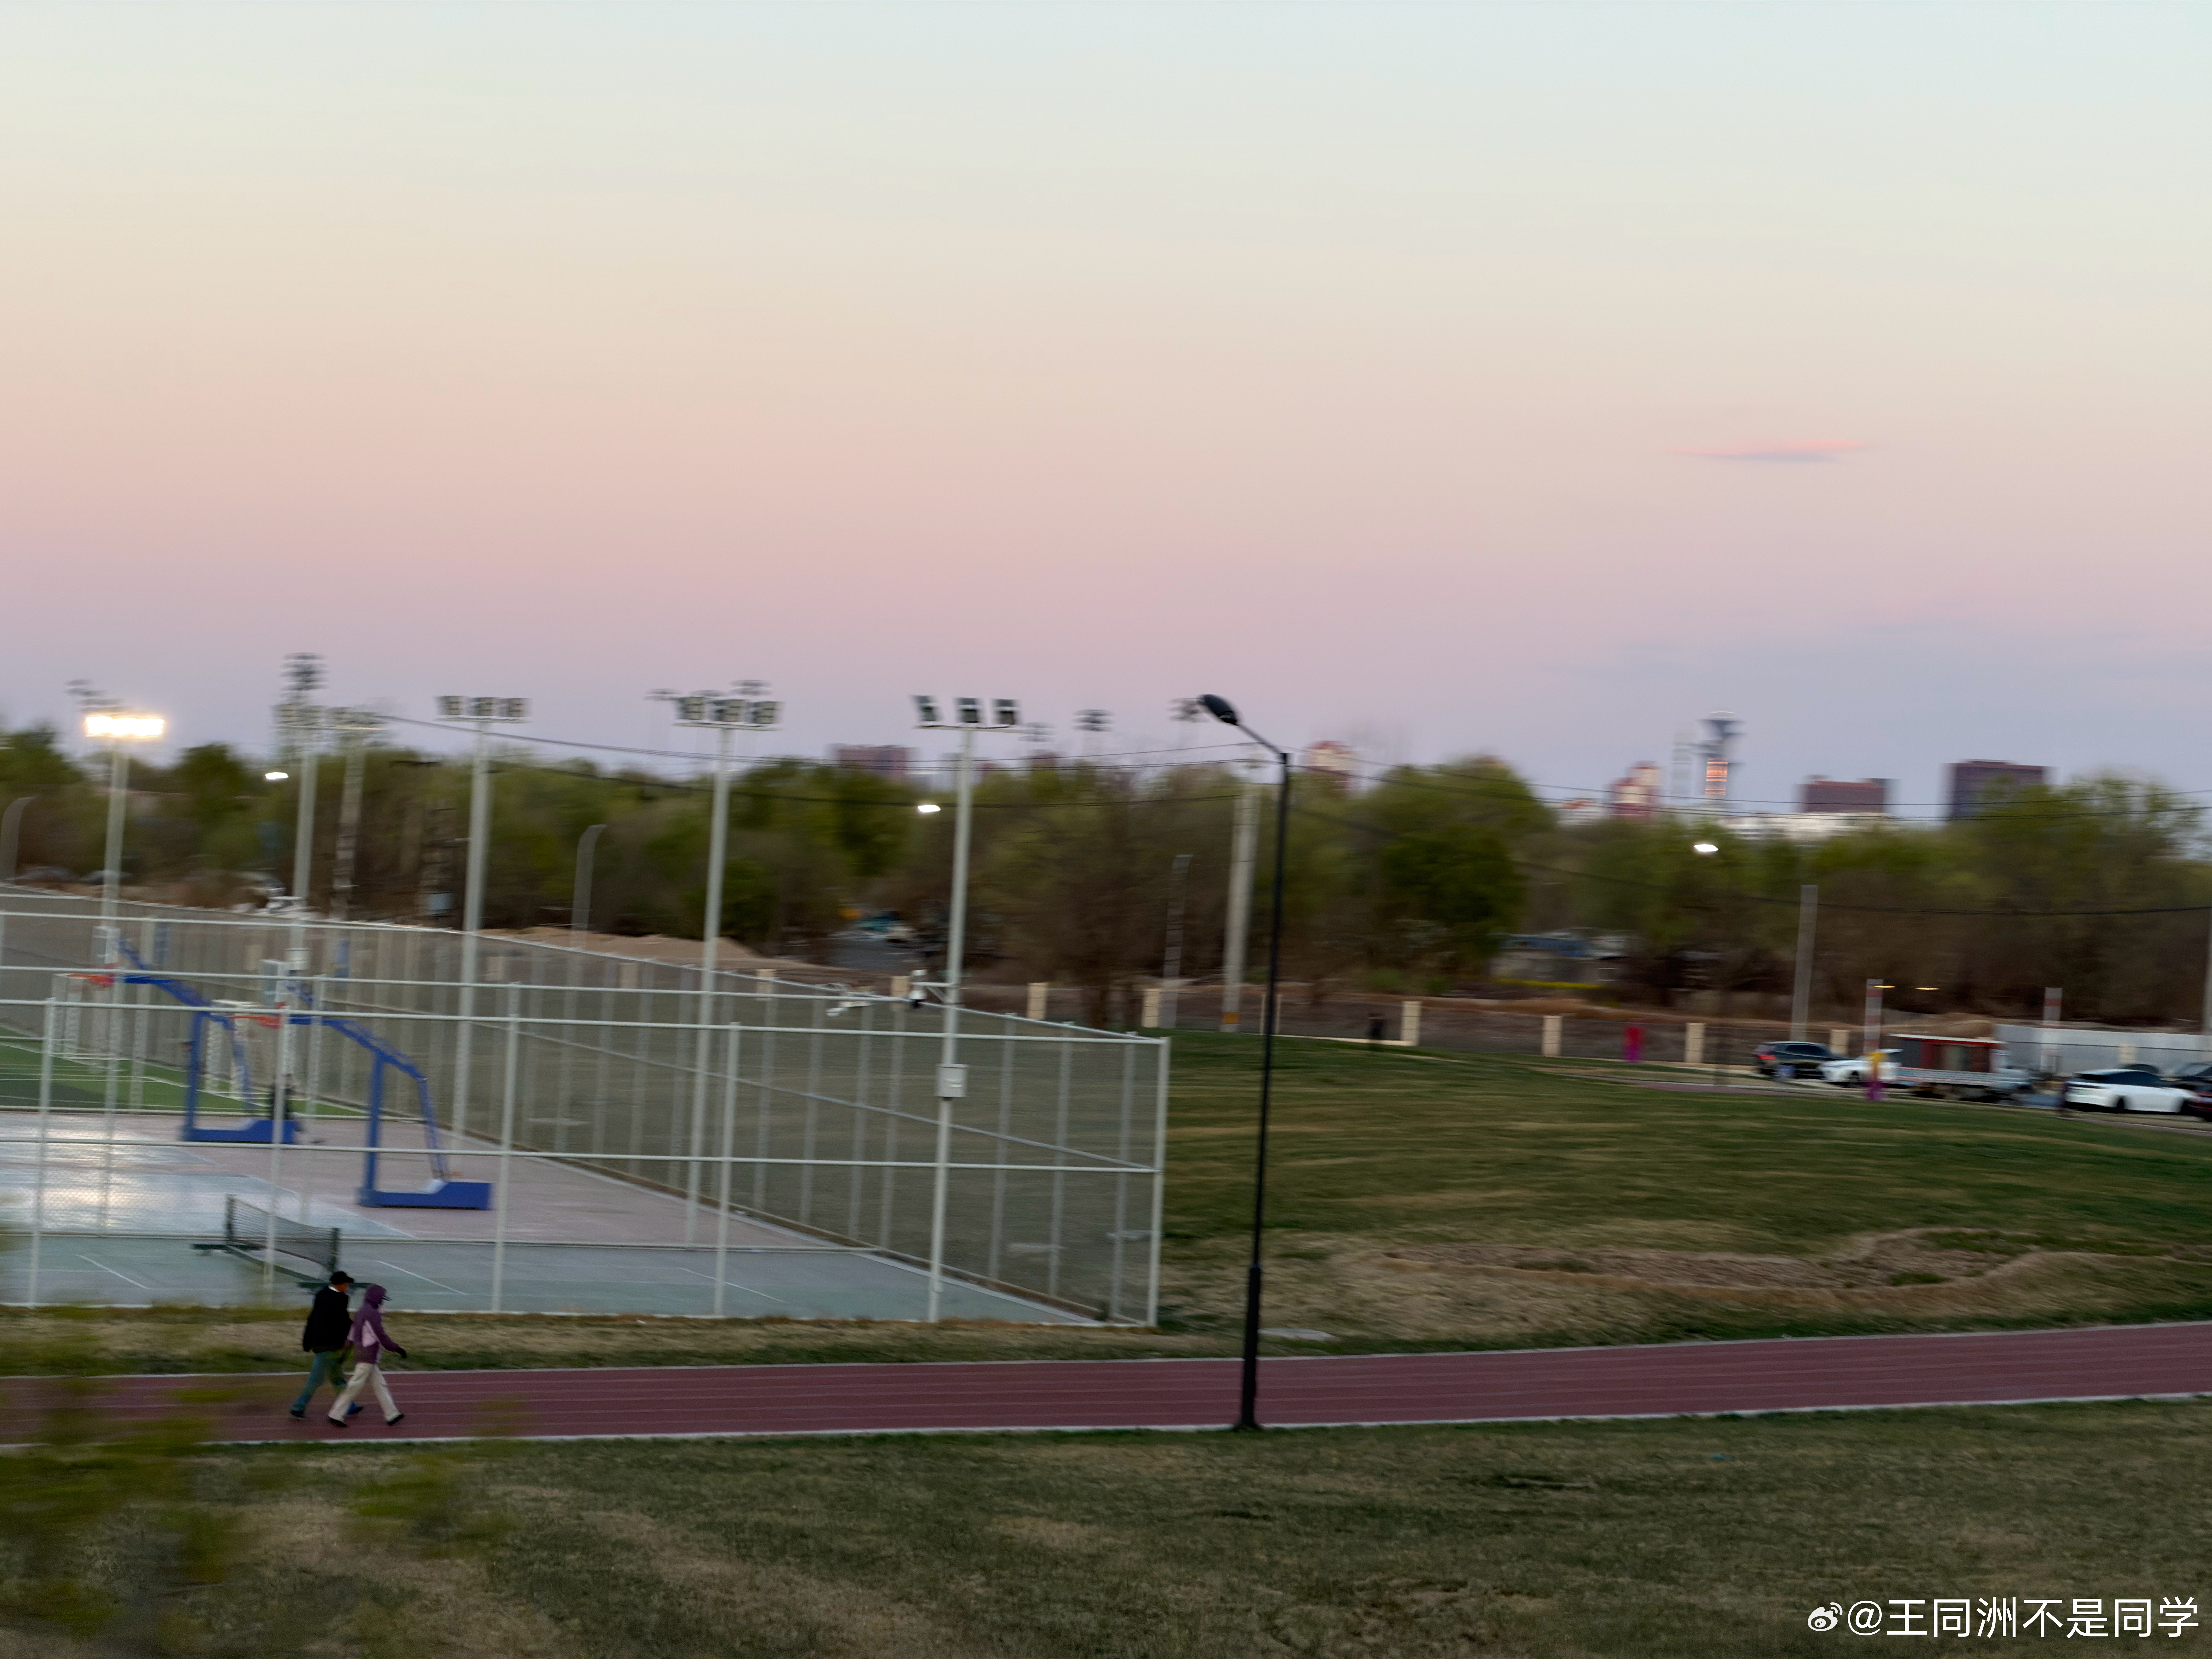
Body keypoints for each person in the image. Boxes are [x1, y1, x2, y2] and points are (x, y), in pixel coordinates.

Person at [327, 1283, 408, 1427]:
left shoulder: (362, 1312)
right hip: (368, 1355)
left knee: (380, 1385)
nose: (383, 1302)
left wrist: (344, 1352)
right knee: (355, 1386)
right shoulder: (372, 1314)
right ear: (376, 1299)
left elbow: (352, 1335)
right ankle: (336, 1414)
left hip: (363, 1353)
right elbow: (380, 1336)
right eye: (382, 1299)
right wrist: (396, 1349)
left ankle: (392, 1415)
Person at [290, 1269, 360, 1420]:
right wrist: (353, 1332)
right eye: (347, 1284)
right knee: (316, 1379)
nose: (348, 1286)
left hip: (322, 1344)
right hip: (329, 1346)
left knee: (337, 1378)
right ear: (341, 1285)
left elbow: (313, 1319)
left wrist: (307, 1341)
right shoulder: (339, 1300)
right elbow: (341, 1322)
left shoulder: (322, 1295)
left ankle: (348, 1406)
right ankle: (298, 1408)